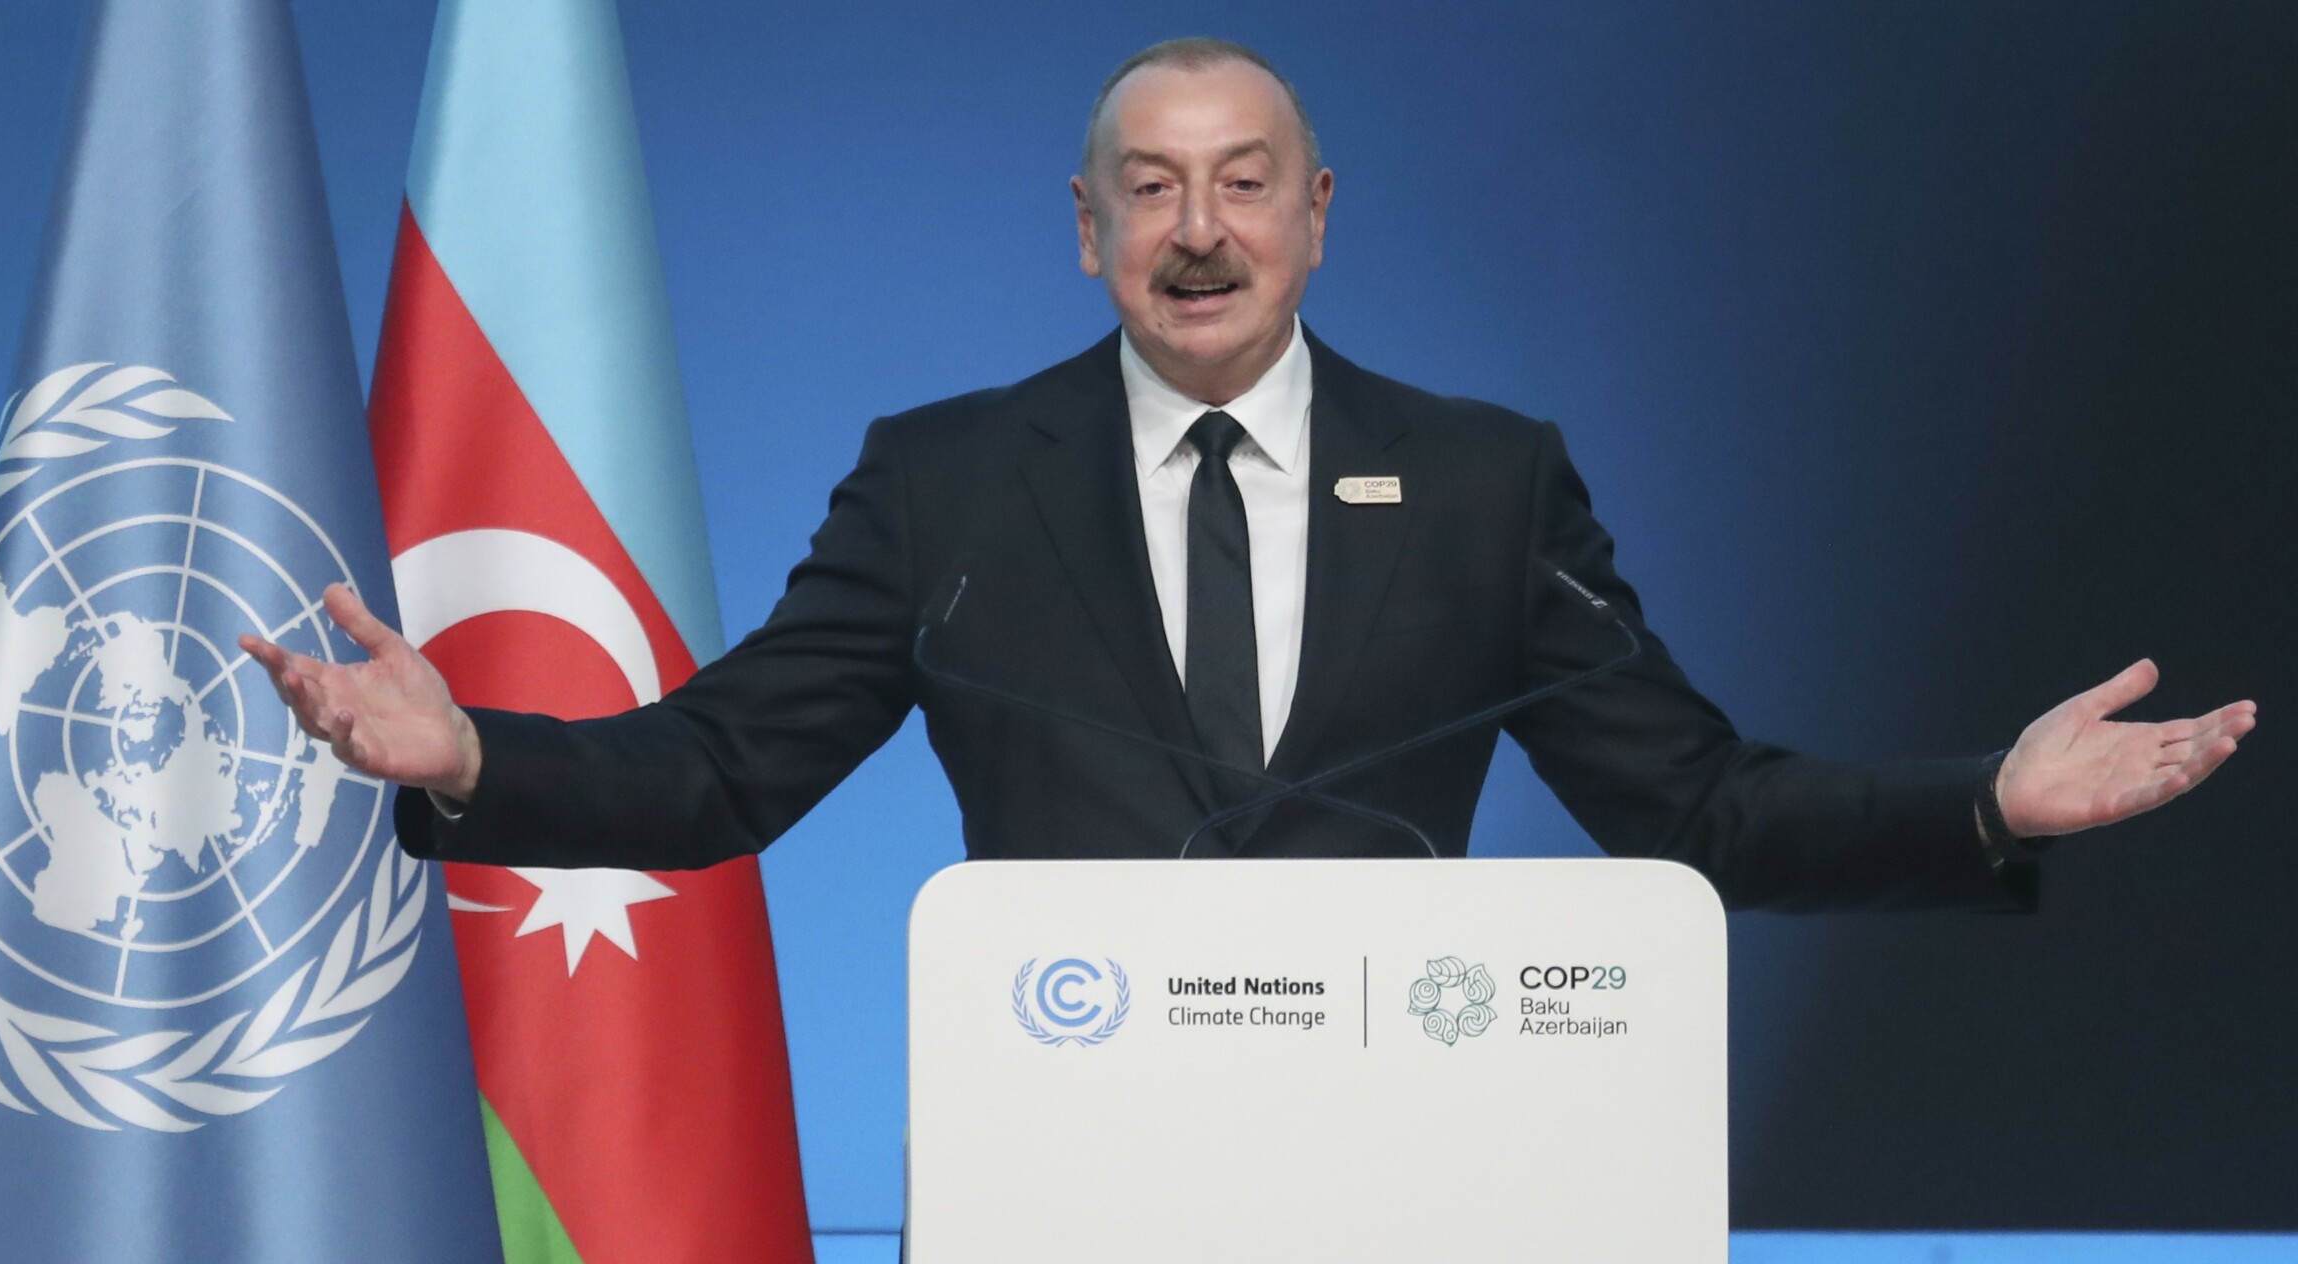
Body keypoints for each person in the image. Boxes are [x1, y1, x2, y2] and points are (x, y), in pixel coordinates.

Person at [241, 38, 2254, 911]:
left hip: (1397, 1168)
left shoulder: (1484, 485)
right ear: (1087, 231)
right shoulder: (943, 484)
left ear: (1315, 218)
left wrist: (1984, 800)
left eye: (1242, 184)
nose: (1197, 231)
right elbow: (720, 776)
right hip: (1068, 1146)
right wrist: (474, 756)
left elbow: (1700, 805)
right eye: (1150, 188)